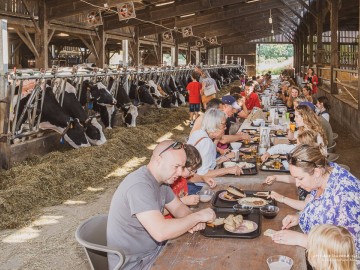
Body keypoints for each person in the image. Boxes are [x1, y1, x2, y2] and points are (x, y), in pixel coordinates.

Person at [107, 140, 216, 270]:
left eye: (182, 167)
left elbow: (177, 207)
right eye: (176, 166)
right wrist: (197, 217)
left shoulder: (161, 182)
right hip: (137, 263)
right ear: (158, 160)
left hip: (154, 252)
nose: (180, 173)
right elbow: (161, 232)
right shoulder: (139, 186)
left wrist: (191, 220)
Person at [270, 144, 360, 268]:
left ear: (316, 171)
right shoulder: (324, 175)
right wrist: (300, 216)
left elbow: (347, 250)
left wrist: (302, 240)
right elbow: (321, 207)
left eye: (300, 178)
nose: (297, 184)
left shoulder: (346, 196)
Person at [187, 108, 243, 194]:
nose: (225, 128)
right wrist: (228, 170)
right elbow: (204, 174)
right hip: (196, 188)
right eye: (223, 125)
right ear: (214, 125)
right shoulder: (206, 142)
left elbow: (202, 163)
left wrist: (220, 159)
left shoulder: (198, 133)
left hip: (190, 184)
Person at [165, 144, 209, 218]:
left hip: (181, 216)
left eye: (195, 170)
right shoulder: (168, 181)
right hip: (169, 222)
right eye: (191, 170)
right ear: (181, 165)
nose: (193, 173)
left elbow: (190, 178)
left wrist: (203, 178)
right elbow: (159, 211)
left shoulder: (182, 176)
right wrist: (183, 201)